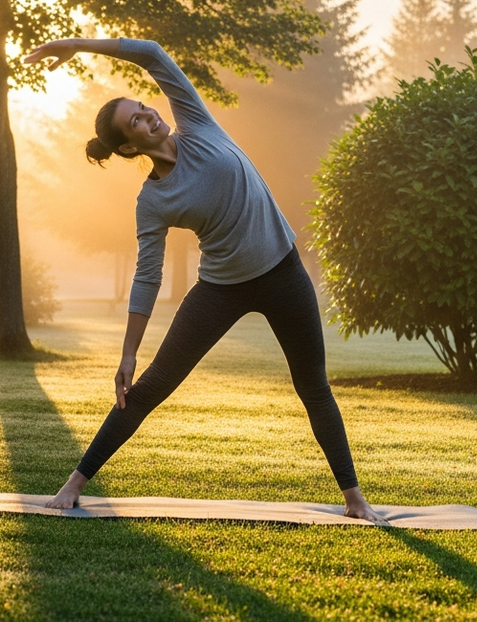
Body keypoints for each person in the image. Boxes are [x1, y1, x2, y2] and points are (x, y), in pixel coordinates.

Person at [23, 37, 387, 523]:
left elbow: (152, 53)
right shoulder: (152, 200)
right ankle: (75, 482)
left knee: (313, 386)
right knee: (151, 386)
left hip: (284, 272)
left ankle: (354, 498)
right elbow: (147, 276)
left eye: (143, 107)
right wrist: (129, 352)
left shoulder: (196, 123)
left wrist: (77, 44)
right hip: (221, 288)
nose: (150, 115)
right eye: (136, 121)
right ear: (130, 146)